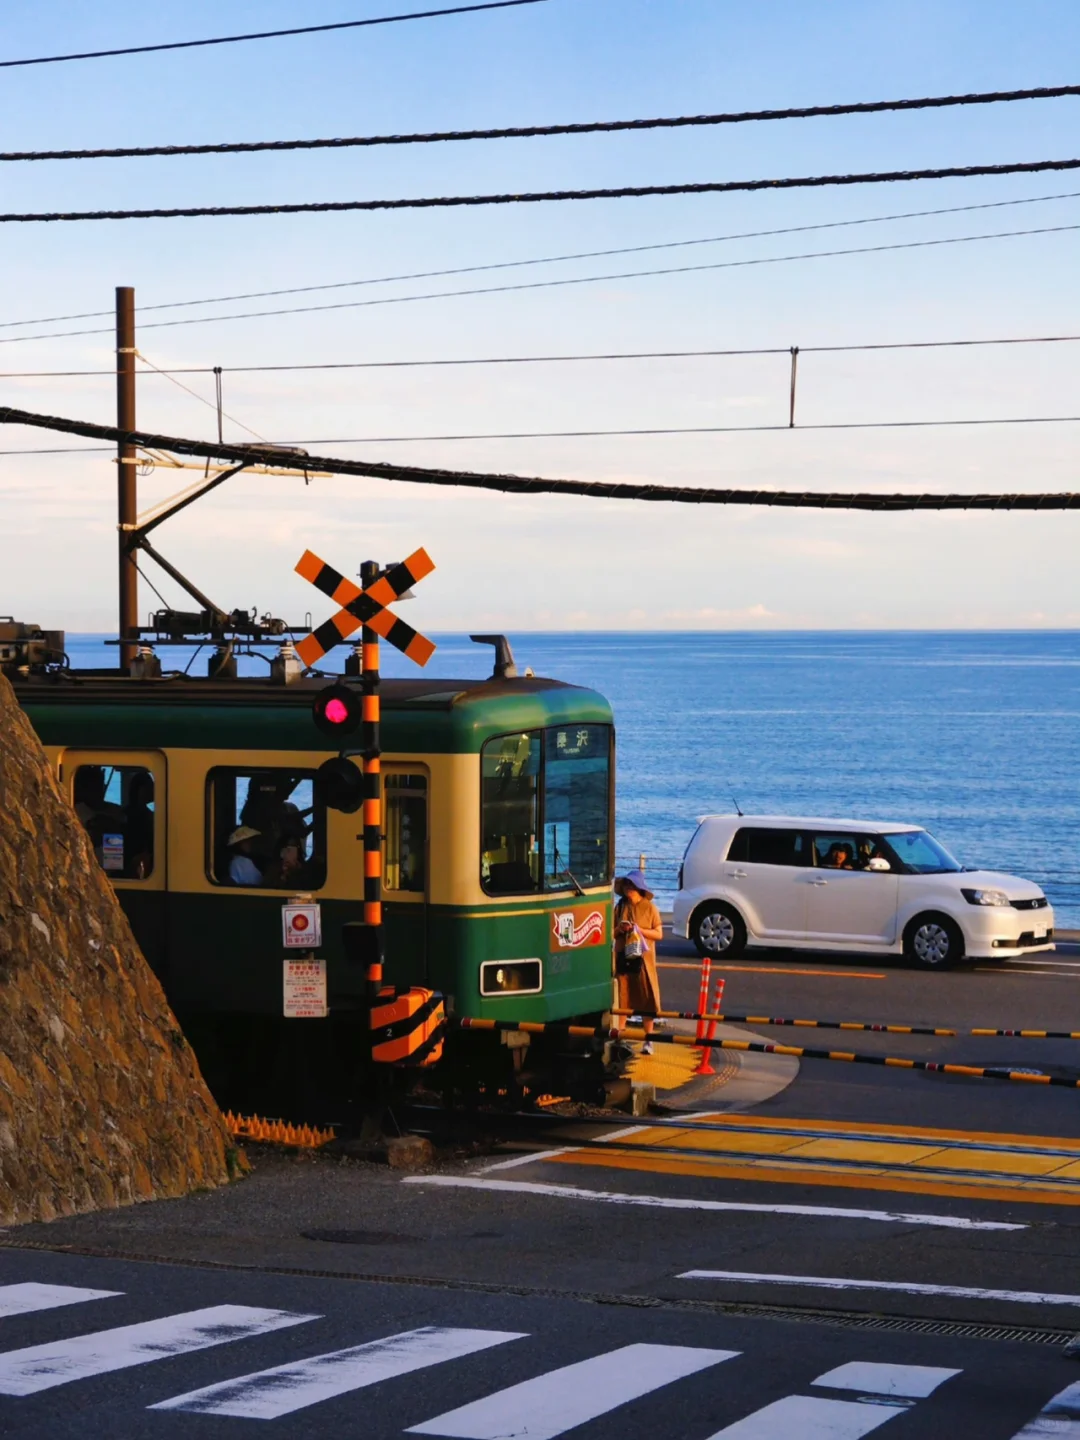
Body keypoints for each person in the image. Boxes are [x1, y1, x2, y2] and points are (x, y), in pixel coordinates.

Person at [613, 868, 664, 1056]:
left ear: (639, 888)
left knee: (646, 999)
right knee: (622, 998)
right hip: (623, 958)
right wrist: (620, 928)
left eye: (632, 886)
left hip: (643, 961)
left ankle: (649, 1040)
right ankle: (620, 1038)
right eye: (626, 885)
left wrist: (639, 930)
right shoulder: (620, 906)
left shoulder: (650, 908)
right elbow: (610, 933)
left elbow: (659, 934)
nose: (628, 889)